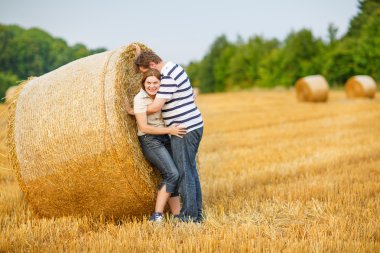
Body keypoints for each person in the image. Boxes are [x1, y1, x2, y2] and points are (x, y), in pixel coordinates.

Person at [134, 46, 204, 223]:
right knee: (190, 170)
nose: (149, 75)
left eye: (148, 70)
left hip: (184, 129)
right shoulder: (173, 67)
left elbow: (156, 107)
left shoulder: (168, 78)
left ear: (152, 64)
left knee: (185, 172)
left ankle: (189, 217)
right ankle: (197, 214)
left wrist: (134, 111)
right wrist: (137, 53)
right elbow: (145, 63)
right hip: (193, 124)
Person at [125, 68, 186, 222]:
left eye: (155, 83)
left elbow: (149, 65)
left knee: (174, 175)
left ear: (161, 83)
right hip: (150, 139)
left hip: (166, 137)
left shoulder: (163, 94)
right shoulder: (140, 99)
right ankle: (157, 216)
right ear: (143, 84)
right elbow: (144, 127)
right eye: (148, 83)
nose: (152, 86)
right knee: (172, 174)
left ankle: (177, 215)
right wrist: (170, 130)